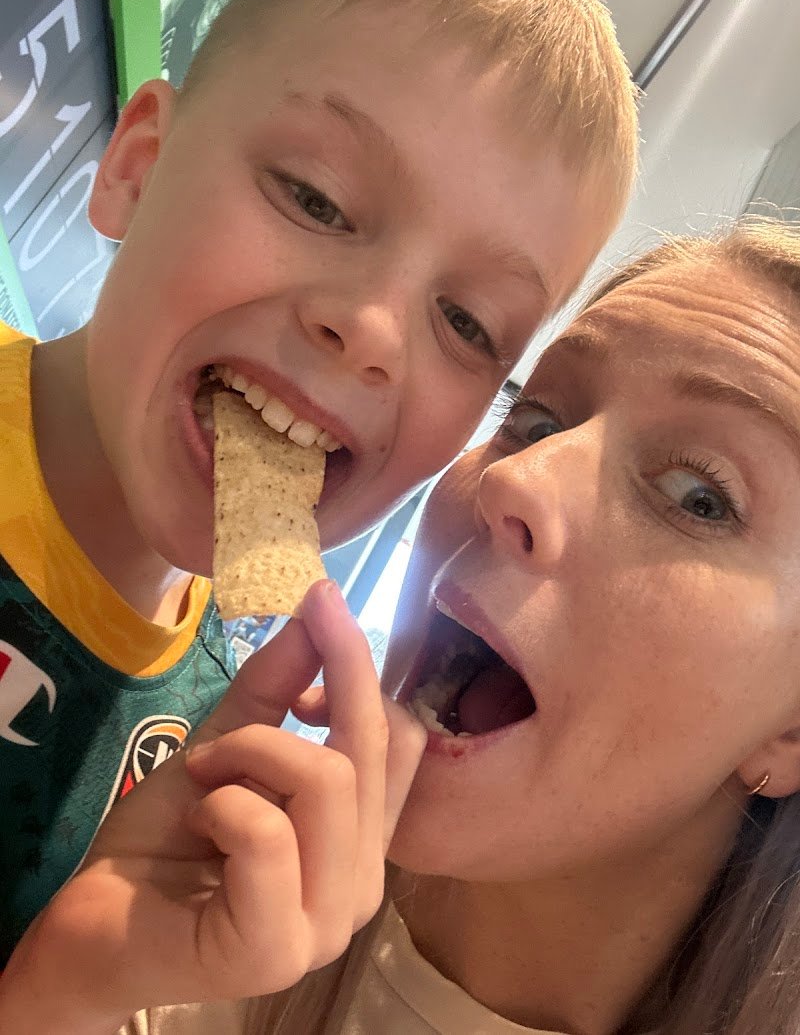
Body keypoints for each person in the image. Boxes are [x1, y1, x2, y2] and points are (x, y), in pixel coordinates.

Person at [3, 215, 800, 1035]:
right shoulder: (207, 926)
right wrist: (68, 983)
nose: (517, 476)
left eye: (701, 497)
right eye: (537, 420)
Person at [0, 0, 639, 967]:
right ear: (137, 166)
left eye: (467, 322)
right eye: (317, 199)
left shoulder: (220, 727)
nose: (372, 331)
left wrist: (111, 981)